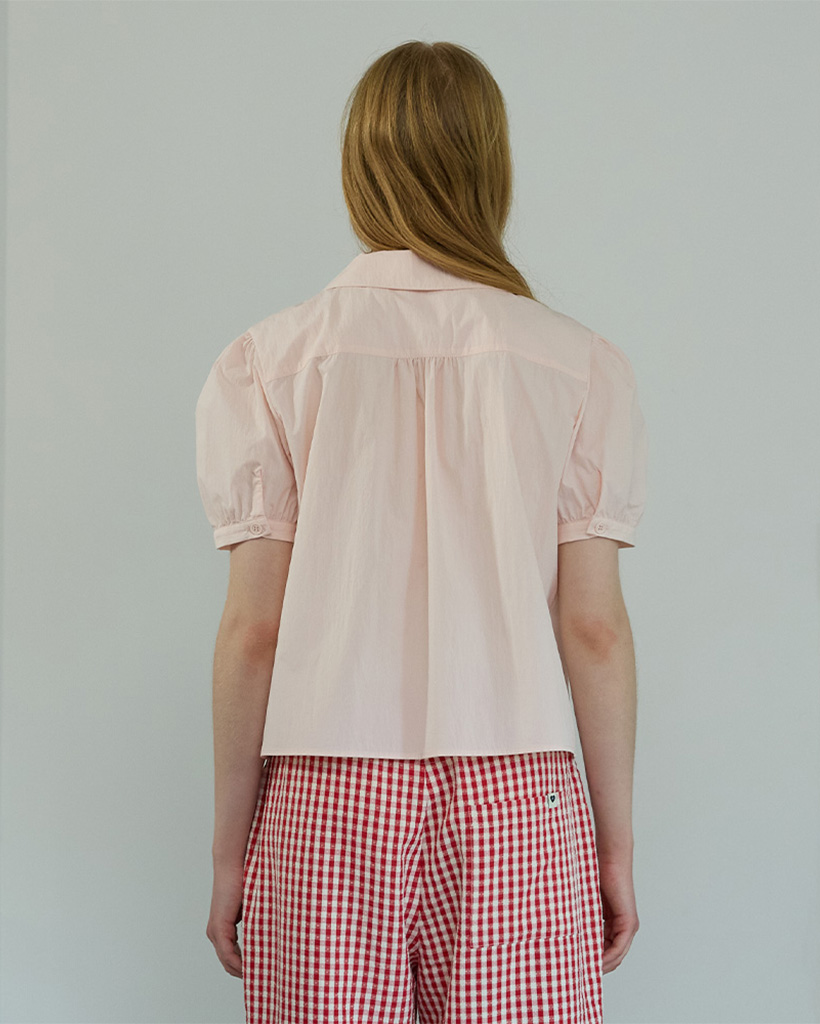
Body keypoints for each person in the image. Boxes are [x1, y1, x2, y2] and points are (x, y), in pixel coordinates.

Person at [196, 40, 647, 1024]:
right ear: (493, 168)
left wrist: (231, 853)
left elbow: (254, 632)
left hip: (326, 793)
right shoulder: (579, 364)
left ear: (358, 167)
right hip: (516, 793)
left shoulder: (266, 362)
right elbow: (595, 630)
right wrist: (613, 848)